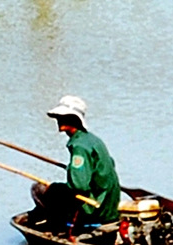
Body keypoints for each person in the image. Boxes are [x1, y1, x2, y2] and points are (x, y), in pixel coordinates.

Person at [30, 95, 121, 228]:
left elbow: (79, 186)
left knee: (39, 189)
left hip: (95, 208)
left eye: (63, 117)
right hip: (109, 206)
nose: (58, 120)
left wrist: (54, 188)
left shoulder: (79, 146)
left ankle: (60, 225)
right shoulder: (92, 139)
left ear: (74, 119)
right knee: (53, 189)